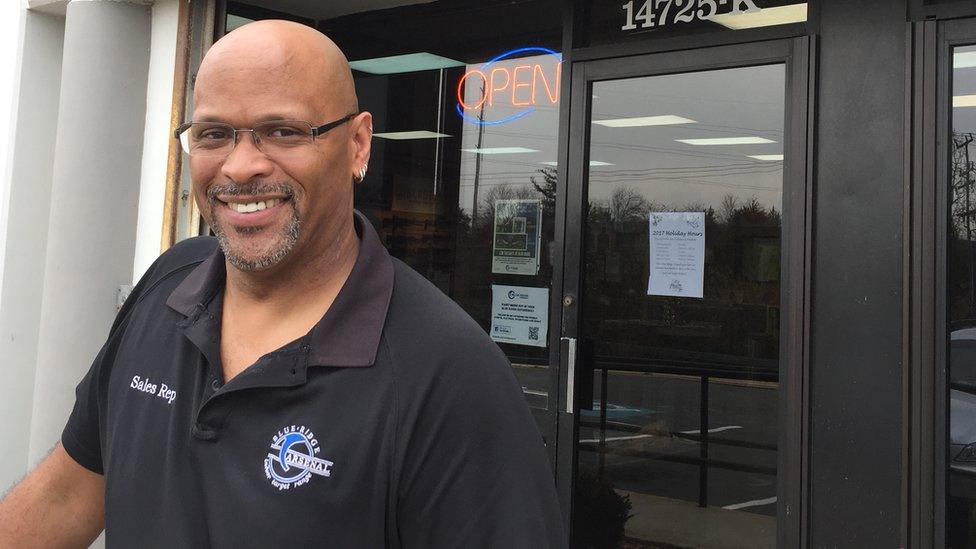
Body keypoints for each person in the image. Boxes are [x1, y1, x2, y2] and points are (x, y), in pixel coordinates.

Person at [0, 20, 566, 548]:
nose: (241, 166)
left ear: (357, 145)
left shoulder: (449, 373)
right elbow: (66, 495)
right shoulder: (167, 287)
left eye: (283, 131)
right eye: (214, 133)